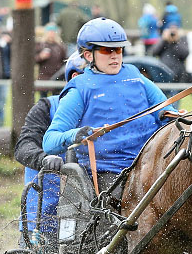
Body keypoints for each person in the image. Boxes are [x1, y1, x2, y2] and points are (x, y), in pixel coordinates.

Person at [42, 18, 177, 183]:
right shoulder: (79, 89)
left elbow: (166, 109)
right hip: (109, 175)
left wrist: (174, 116)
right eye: (107, 50)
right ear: (88, 55)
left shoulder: (136, 76)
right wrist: (76, 134)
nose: (114, 56)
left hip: (153, 163)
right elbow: (50, 141)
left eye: (118, 49)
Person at [15, 53, 85, 243]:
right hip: (42, 217)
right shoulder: (47, 107)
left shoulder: (104, 111)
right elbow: (23, 147)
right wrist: (44, 158)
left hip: (86, 220)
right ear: (75, 78)